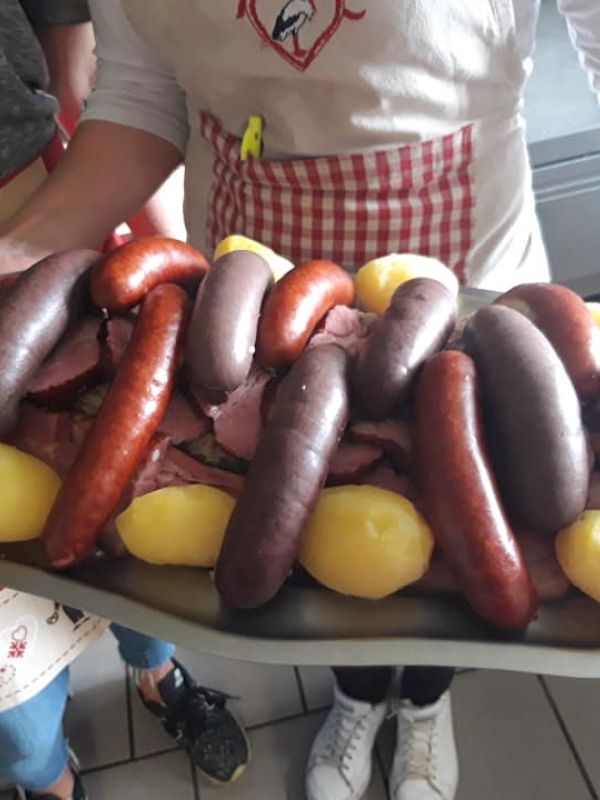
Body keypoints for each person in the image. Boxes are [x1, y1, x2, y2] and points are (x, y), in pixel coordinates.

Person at [0, 2, 599, 799]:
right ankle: (352, 697)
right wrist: (13, 257)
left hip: (464, 298)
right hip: (254, 309)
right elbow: (140, 96)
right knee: (321, 547)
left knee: (458, 548)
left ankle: (423, 705)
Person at [0, 4, 248, 799]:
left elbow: (86, 63)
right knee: (17, 691)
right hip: (49, 218)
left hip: (40, 204)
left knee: (135, 505)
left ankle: (156, 673)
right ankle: (46, 780)